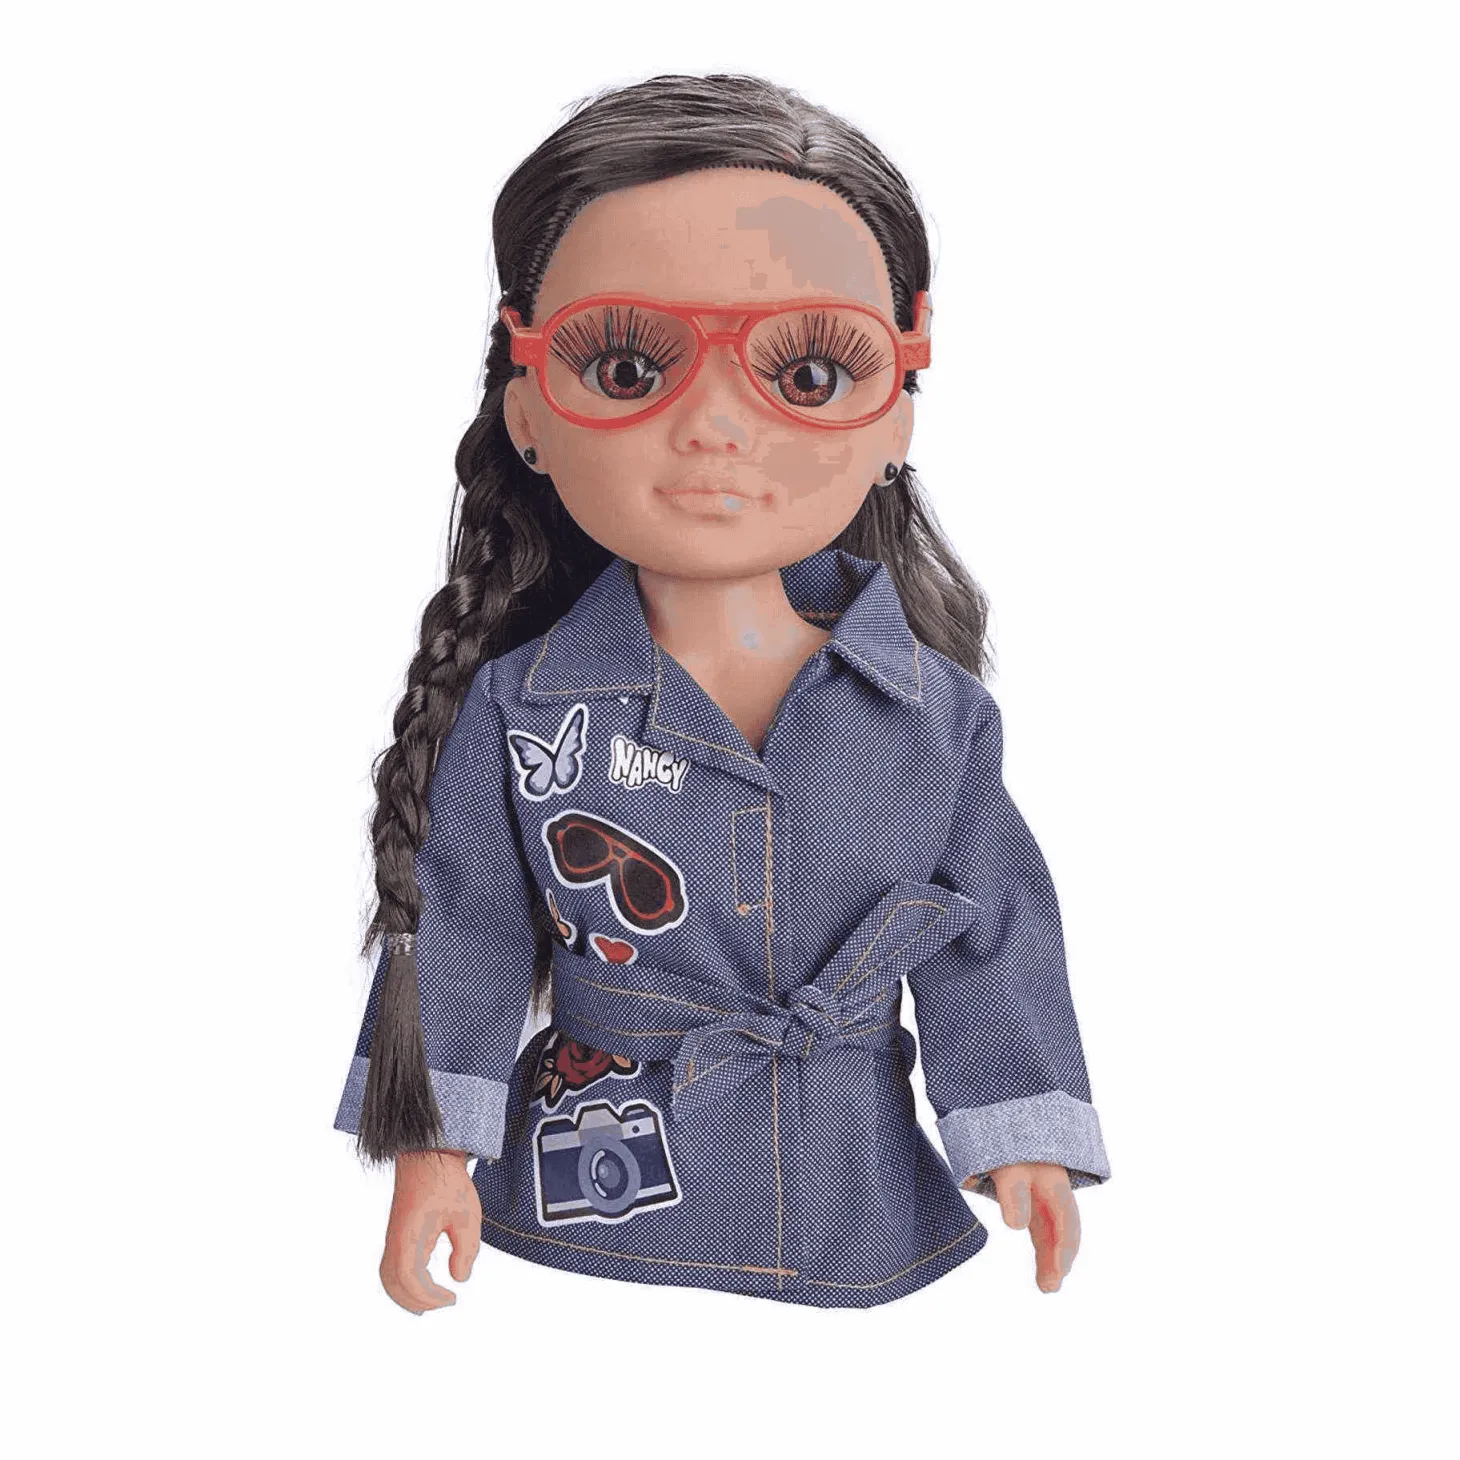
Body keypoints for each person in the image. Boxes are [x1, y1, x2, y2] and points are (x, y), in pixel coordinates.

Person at [334, 71, 1110, 1312]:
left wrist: (1022, 1130)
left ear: (897, 415)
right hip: (586, 1238)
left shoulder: (935, 714)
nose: (710, 426)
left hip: (857, 1201)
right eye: (626, 364)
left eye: (805, 374)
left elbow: (992, 929)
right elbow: (464, 927)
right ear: (527, 410)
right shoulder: (524, 706)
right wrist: (431, 1149)